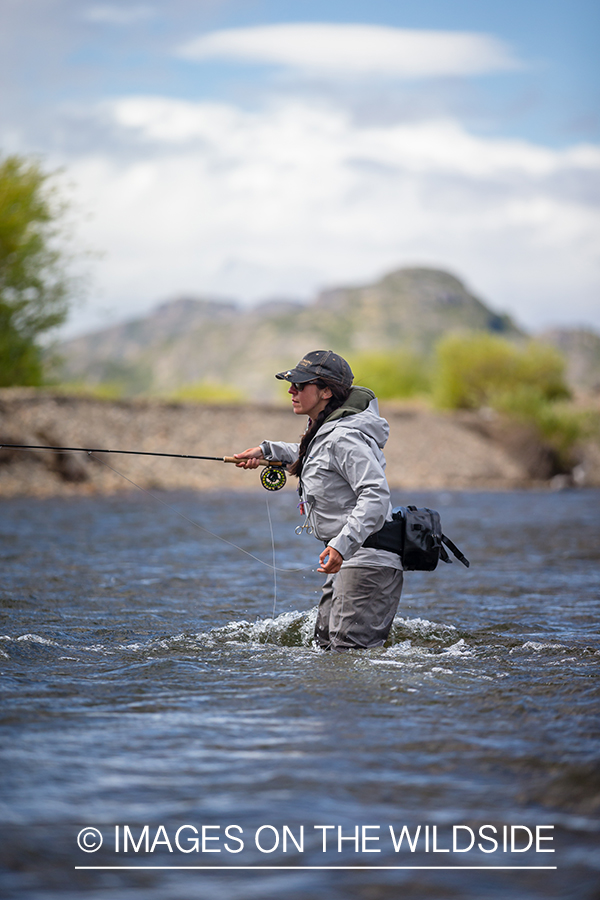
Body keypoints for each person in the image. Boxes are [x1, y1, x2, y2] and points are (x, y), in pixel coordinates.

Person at [234, 350, 403, 652]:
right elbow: (316, 458)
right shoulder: (326, 431)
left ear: (326, 391)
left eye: (300, 385)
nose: (291, 391)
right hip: (350, 554)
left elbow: (375, 494)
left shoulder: (343, 437)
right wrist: (266, 450)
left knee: (347, 653)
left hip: (365, 556)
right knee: (325, 647)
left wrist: (340, 545)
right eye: (292, 385)